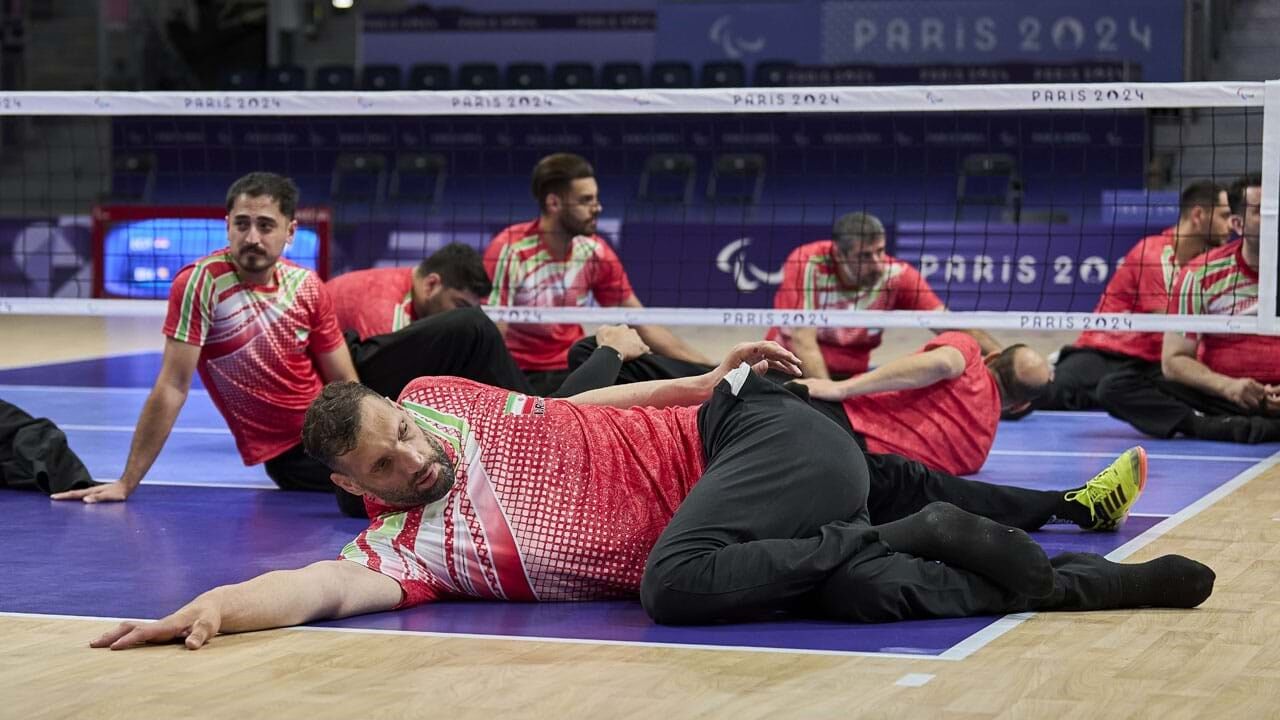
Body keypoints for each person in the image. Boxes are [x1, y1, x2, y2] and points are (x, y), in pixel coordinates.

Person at [87, 342, 1213, 650]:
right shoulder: (406, 554)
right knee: (863, 593)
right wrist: (215, 607)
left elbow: (590, 408)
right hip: (763, 512)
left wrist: (711, 378)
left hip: (750, 432)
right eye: (387, 465)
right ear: (350, 488)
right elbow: (312, 589)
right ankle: (1082, 585)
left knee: (674, 584)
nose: (415, 456)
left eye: (405, 434)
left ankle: (919, 519)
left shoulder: (439, 395)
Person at [51, 172, 361, 510]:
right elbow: (172, 386)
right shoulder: (201, 284)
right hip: (294, 452)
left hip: (335, 422)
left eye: (265, 226)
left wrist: (368, 433)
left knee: (405, 348)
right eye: (241, 224)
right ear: (227, 226)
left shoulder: (307, 285)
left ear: (290, 231)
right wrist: (126, 482)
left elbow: (345, 379)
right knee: (377, 489)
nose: (252, 237)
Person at [484, 152, 714, 394]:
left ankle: (716, 378)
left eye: (596, 199)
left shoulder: (593, 251)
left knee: (632, 361)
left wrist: (707, 368)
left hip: (574, 368)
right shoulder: (511, 250)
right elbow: (494, 335)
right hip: (521, 374)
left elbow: (642, 323)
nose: (597, 208)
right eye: (586, 200)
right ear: (554, 203)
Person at [325, 242, 650, 399]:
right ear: (432, 284)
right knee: (471, 328)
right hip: (339, 385)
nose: (453, 315)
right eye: (457, 304)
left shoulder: (413, 294)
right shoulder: (383, 303)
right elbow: (363, 384)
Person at [1097, 174, 1280, 443]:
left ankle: (1244, 428)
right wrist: (1228, 386)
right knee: (1116, 386)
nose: (1275, 218)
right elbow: (1175, 359)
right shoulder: (1200, 274)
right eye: (1262, 212)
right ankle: (1211, 426)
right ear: (1238, 224)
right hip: (1225, 395)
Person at [1035, 180, 1232, 411]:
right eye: (1225, 216)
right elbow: (1173, 323)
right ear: (1198, 215)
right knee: (1047, 394)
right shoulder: (1153, 253)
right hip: (1108, 351)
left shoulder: (1211, 263)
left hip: (1154, 363)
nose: (1231, 225)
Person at [767, 211, 1002, 380]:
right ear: (839, 255)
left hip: (848, 377)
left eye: (880, 251)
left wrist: (1003, 359)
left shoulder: (896, 276)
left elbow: (950, 324)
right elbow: (802, 340)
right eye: (865, 256)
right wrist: (827, 395)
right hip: (788, 369)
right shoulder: (808, 262)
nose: (878, 263)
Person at [795, 332, 1051, 476]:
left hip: (833, 418)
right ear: (1019, 406)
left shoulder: (970, 353)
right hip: (859, 470)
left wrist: (841, 388)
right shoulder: (976, 454)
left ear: (992, 357)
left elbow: (944, 363)